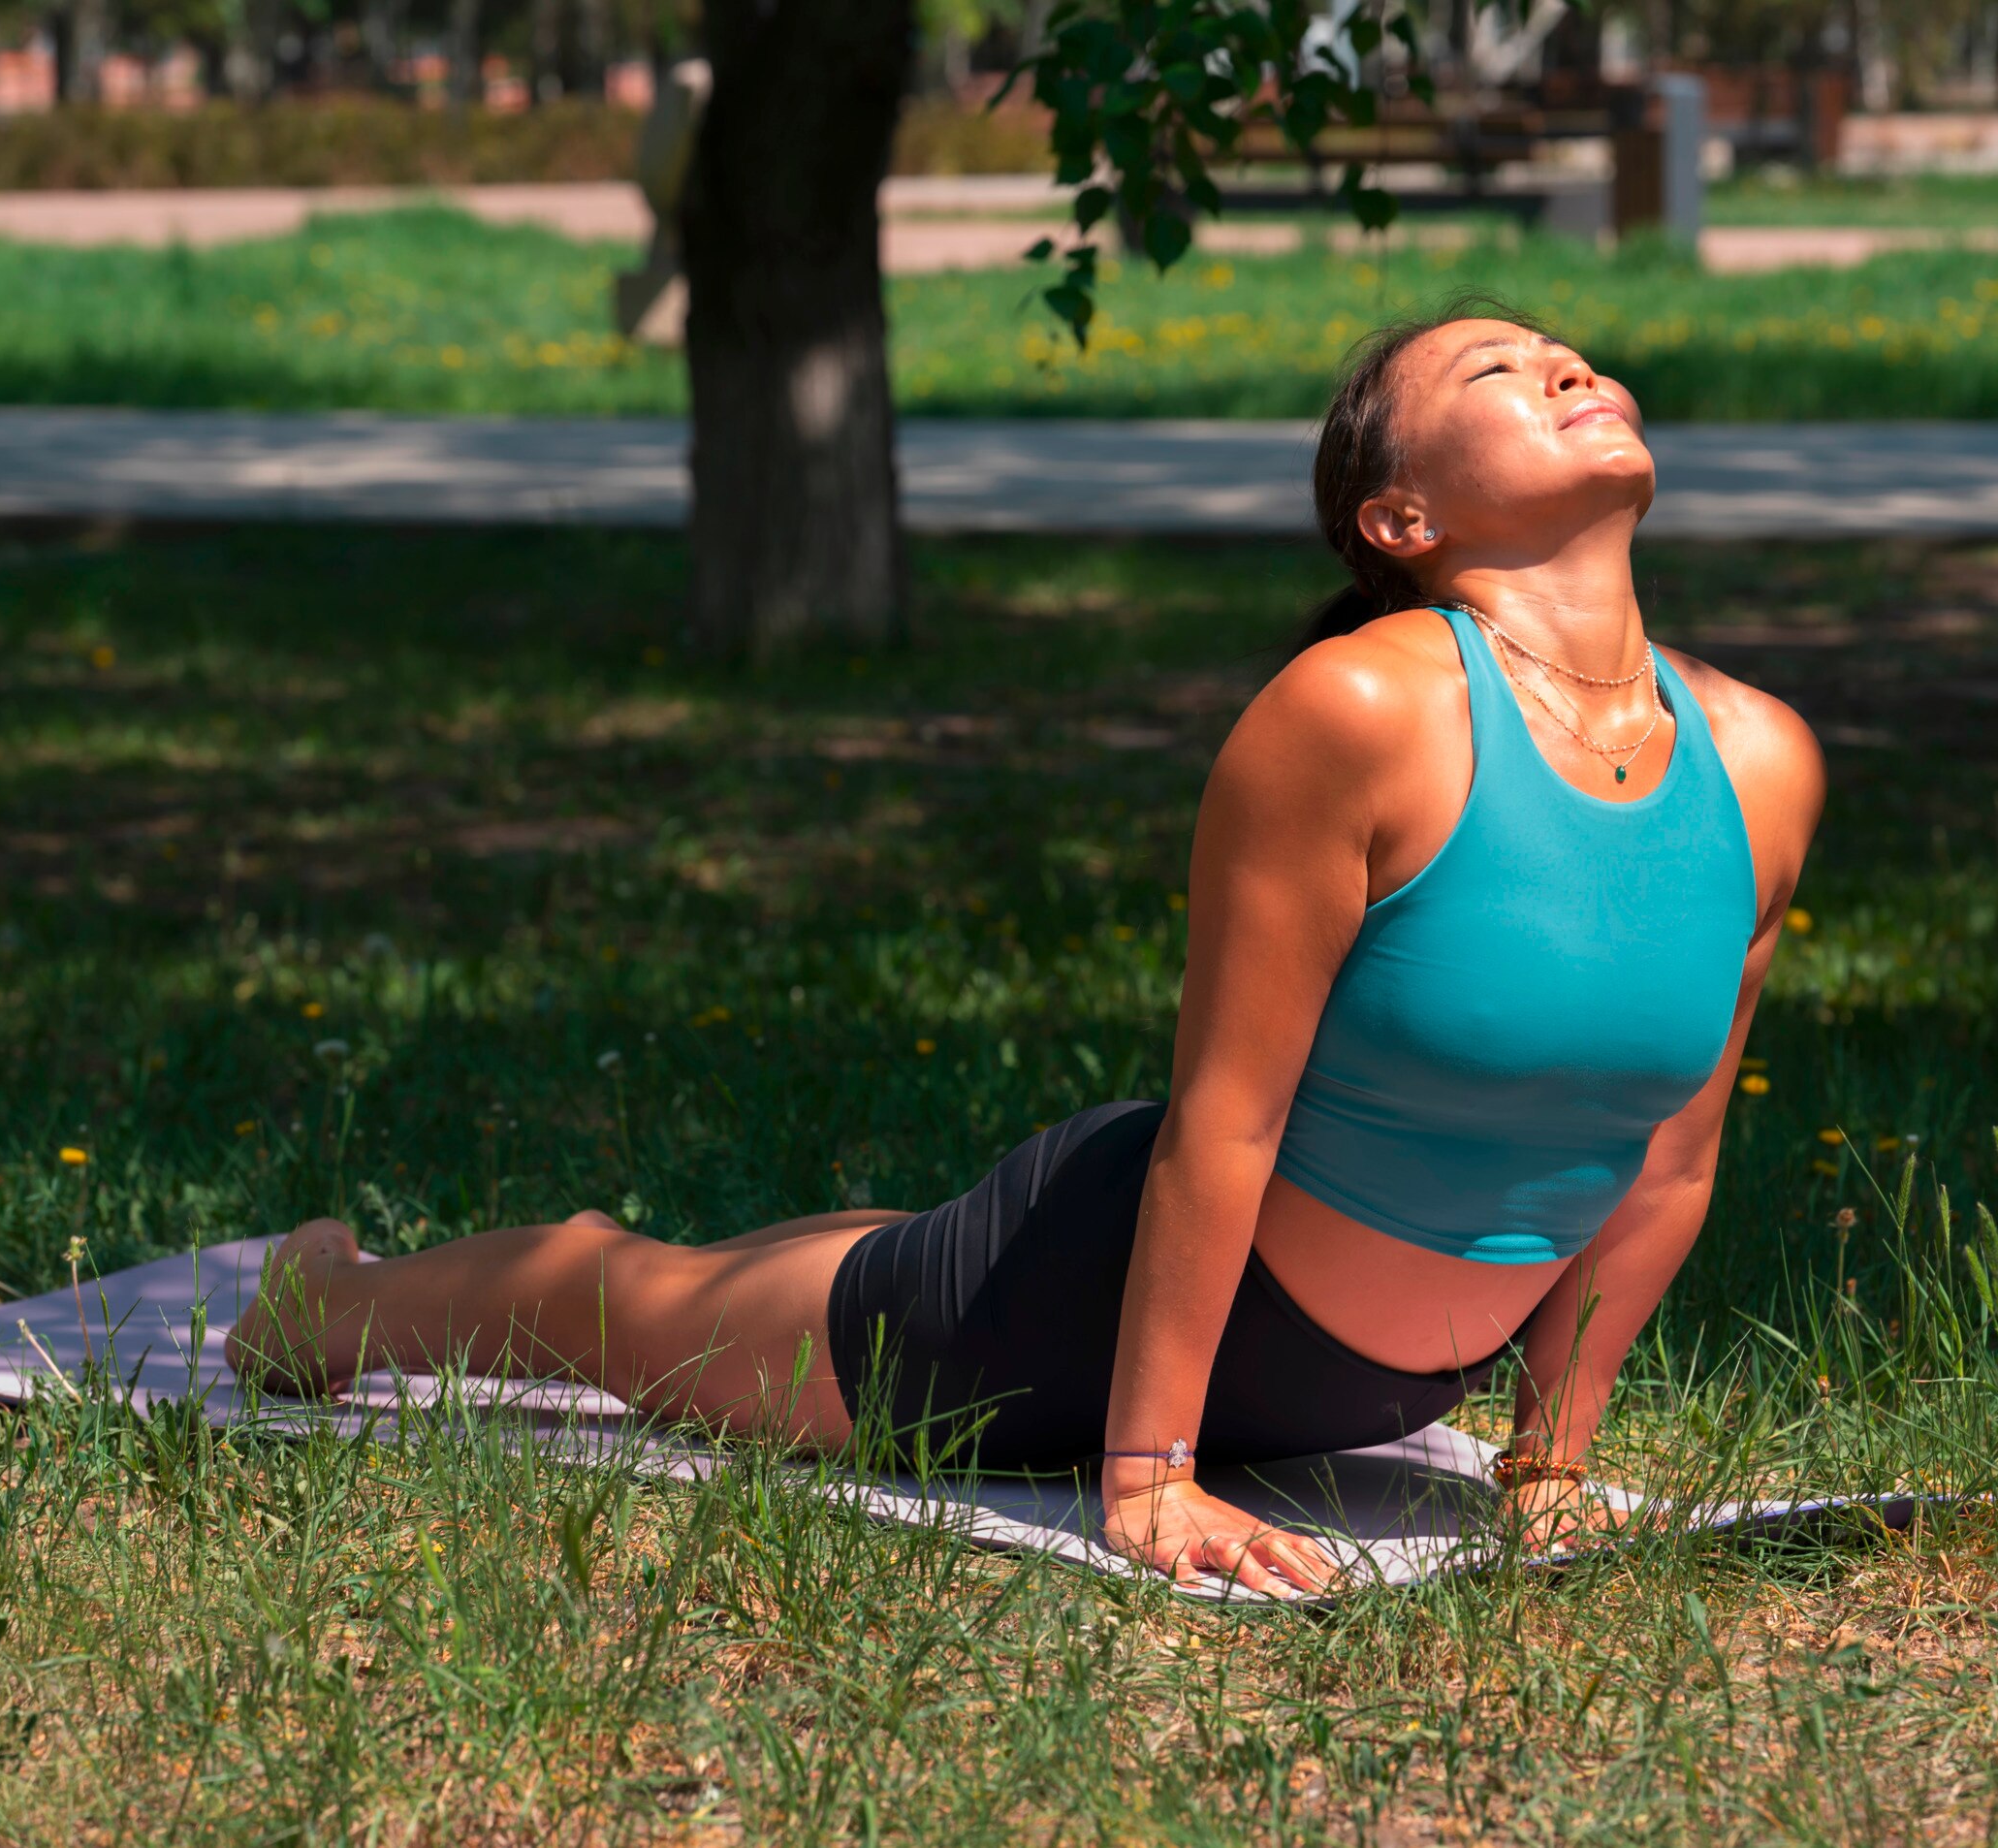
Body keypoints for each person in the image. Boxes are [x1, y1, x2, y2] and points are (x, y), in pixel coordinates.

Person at [229, 298, 1824, 1597]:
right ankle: (325, 1305)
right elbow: (1228, 1119)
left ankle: (839, 1250)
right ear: (1396, 516)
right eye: (1495, 365)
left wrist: (1548, 1467)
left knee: (804, 1269)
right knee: (647, 1318)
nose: (1565, 362)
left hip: (1384, 1394)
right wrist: (1146, 1479)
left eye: (1570, 353)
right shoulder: (1362, 714)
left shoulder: (1758, 763)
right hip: (1073, 1301)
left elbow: (1667, 1162)